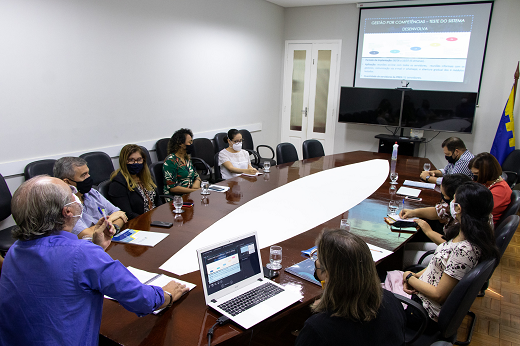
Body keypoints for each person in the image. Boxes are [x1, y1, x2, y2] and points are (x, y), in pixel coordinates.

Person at [0, 176, 188, 345]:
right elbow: (141, 299)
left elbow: (58, 277)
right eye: (71, 195)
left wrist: (95, 248)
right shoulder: (82, 254)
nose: (76, 197)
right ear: (67, 212)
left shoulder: (15, 251)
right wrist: (167, 295)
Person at [384, 182, 499, 328]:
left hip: (421, 311)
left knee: (368, 295)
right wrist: (415, 276)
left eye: (454, 200)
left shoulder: (464, 250)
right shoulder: (478, 232)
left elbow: (439, 294)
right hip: (421, 291)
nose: (450, 203)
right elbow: (440, 265)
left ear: (458, 209)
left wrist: (409, 277)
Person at [295, 229, 406, 346]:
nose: (316, 261)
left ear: (327, 276)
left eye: (318, 257)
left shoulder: (317, 330)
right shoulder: (392, 301)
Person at [399, 174, 471, 266]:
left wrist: (428, 231)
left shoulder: (466, 222)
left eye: (445, 196)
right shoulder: (463, 206)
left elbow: (453, 247)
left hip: (450, 257)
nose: (443, 200)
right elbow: (438, 211)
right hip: (446, 249)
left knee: (399, 257)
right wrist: (413, 212)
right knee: (405, 247)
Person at [54, 157, 128, 238]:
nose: (88, 177)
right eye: (83, 175)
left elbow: (121, 215)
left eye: (88, 173)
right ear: (67, 182)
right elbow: (87, 235)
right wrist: (110, 220)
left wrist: (114, 227)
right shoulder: (65, 206)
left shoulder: (92, 192)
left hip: (108, 241)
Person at [109, 144, 160, 220]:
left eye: (139, 159)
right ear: (124, 161)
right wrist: (149, 220)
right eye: (131, 160)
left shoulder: (146, 177)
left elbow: (158, 201)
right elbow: (127, 214)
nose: (136, 163)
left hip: (155, 218)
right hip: (139, 222)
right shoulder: (118, 183)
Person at [468, 152, 512, 225]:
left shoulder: (501, 190)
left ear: (487, 172)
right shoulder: (486, 182)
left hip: (482, 226)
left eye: (477, 174)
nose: (474, 177)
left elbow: (478, 210)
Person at [163, 128, 201, 194]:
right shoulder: (171, 161)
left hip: (191, 194)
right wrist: (194, 191)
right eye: (190, 142)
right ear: (181, 144)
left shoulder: (186, 158)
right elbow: (173, 188)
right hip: (177, 199)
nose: (192, 144)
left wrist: (196, 187)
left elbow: (196, 176)